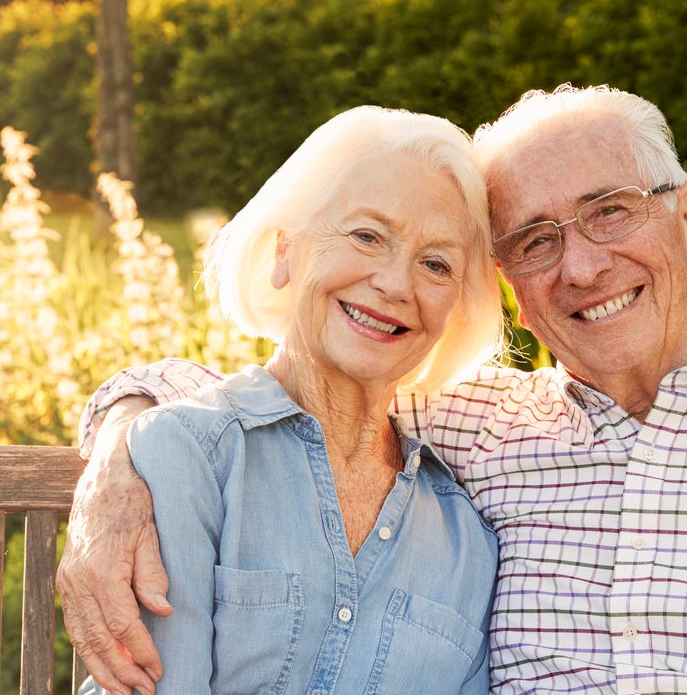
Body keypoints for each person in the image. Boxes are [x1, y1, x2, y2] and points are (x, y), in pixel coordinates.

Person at [59, 85, 687, 694]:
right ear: (506, 283)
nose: (582, 265)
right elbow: (278, 392)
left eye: (610, 212)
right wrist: (116, 462)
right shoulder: (481, 433)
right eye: (536, 241)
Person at [75, 105, 505, 694]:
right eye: (367, 236)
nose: (396, 284)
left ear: (455, 307)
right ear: (285, 251)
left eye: (435, 264)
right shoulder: (193, 453)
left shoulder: (467, 535)